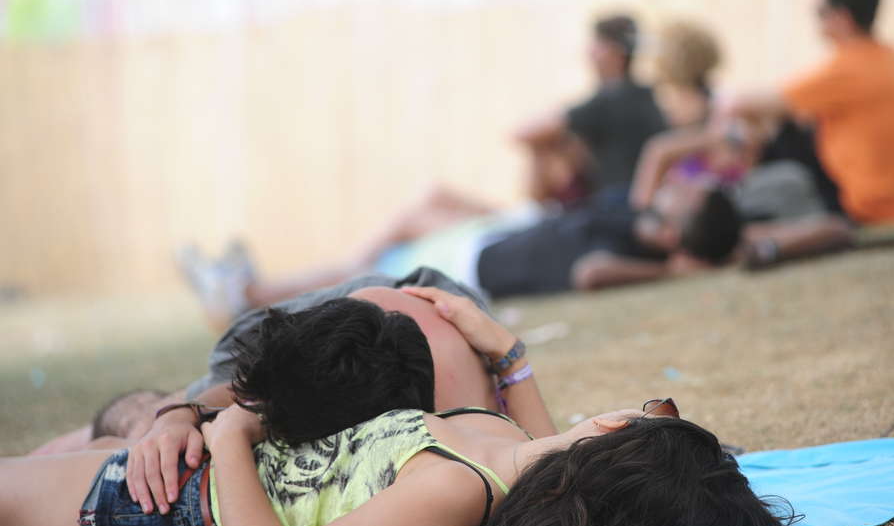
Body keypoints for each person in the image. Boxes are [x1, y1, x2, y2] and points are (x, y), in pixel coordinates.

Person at [0, 288, 792, 526]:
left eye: (655, 404)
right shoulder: (503, 450)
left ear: (621, 425)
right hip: (180, 482)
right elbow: (552, 447)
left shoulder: (453, 491)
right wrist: (508, 353)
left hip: (153, 510)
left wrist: (234, 430)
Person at [31, 267, 560, 519]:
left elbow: (544, 469)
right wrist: (176, 417)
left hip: (404, 326)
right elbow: (234, 397)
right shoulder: (455, 441)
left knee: (149, 433)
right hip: (360, 323)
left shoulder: (445, 449)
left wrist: (513, 356)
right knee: (142, 424)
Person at [179, 177, 743, 326]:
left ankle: (244, 292)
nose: (683, 181)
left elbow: (593, 273)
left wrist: (670, 269)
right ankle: (241, 287)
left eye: (688, 193)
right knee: (427, 201)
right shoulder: (635, 214)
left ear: (675, 236)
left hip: (480, 261)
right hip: (511, 230)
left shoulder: (629, 252)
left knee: (371, 268)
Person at [717, 0, 894, 226]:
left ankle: (741, 205)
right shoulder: (892, 57)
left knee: (780, 130)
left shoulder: (849, 66)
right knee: (787, 122)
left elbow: (739, 104)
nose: (814, 13)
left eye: (820, 9)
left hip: (867, 207)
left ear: (842, 17)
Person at [630, 20, 854, 270]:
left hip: (724, 212)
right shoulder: (678, 116)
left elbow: (739, 163)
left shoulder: (725, 110)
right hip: (688, 219)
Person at [516, 14, 667, 206]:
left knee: (543, 143)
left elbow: (525, 133)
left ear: (613, 52)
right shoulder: (645, 94)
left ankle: (540, 209)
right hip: (629, 197)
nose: (589, 53)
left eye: (596, 45)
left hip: (615, 201)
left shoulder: (610, 99)